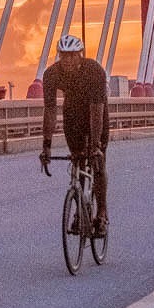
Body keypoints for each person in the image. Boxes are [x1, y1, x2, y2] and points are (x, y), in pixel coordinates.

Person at [39, 34, 109, 236]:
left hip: (96, 112)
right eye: (64, 56)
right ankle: (80, 209)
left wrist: (96, 145)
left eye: (72, 56)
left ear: (80, 55)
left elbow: (97, 111)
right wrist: (47, 145)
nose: (68, 60)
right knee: (77, 158)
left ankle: (102, 213)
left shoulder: (94, 71)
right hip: (73, 114)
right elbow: (50, 110)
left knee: (97, 163)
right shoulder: (52, 75)